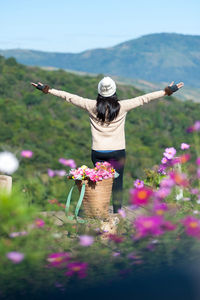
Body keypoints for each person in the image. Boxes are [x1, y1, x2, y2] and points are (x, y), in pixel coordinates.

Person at [31, 77, 184, 213]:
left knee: (100, 182)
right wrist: (167, 91)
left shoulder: (90, 105)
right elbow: (145, 98)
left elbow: (69, 97)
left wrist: (47, 89)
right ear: (114, 91)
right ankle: (117, 212)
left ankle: (98, 211)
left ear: (99, 91)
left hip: (98, 151)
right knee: (117, 182)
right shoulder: (123, 106)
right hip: (117, 151)